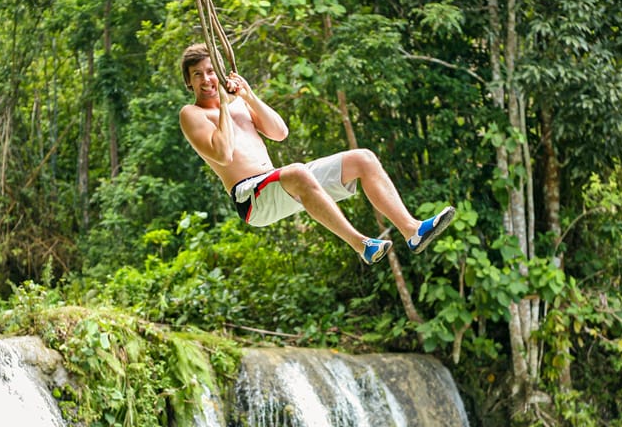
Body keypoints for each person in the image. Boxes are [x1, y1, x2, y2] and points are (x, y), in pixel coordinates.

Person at [177, 43, 454, 265]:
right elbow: (224, 154)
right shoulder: (192, 114)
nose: (207, 79)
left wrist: (248, 97)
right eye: (198, 74)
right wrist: (225, 104)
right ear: (189, 83)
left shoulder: (239, 103)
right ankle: (362, 245)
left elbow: (279, 133)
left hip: (279, 183)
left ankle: (412, 230)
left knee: (364, 159)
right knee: (297, 171)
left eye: (211, 71)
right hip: (251, 199)